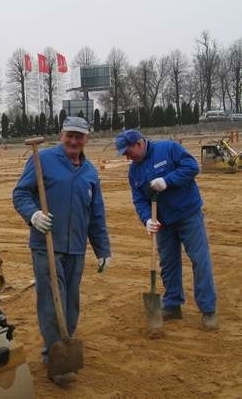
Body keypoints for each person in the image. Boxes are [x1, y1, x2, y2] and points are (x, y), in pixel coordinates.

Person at [13, 117, 111, 384]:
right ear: (61, 135)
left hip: (76, 246)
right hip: (47, 245)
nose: (74, 141)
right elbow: (20, 194)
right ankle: (53, 356)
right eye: (70, 135)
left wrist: (102, 249)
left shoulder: (90, 171)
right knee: (50, 302)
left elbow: (96, 214)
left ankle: (64, 344)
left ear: (87, 140)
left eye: (79, 137)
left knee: (71, 303)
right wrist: (33, 215)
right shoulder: (42, 159)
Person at [115, 129, 218, 331]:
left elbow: (191, 167)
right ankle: (172, 304)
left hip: (188, 215)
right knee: (169, 264)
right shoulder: (134, 171)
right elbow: (139, 200)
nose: (127, 157)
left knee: (200, 260)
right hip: (162, 222)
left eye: (128, 152)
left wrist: (167, 181)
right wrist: (146, 220)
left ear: (139, 144)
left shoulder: (168, 148)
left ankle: (208, 310)